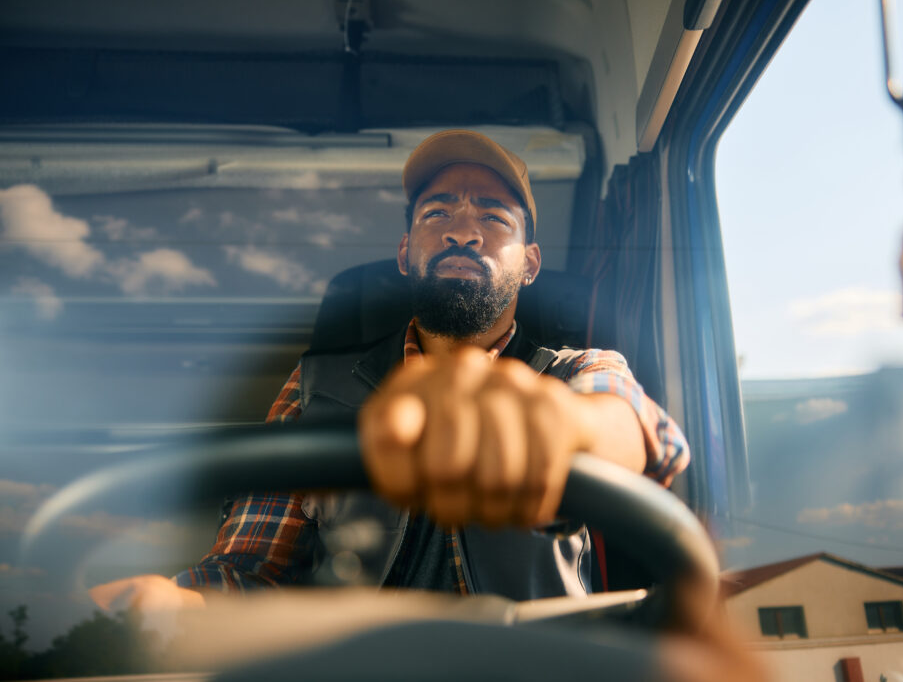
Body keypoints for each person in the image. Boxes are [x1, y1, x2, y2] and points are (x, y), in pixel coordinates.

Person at [90, 129, 689, 611]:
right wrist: (176, 605)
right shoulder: (314, 390)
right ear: (406, 254)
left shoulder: (577, 371)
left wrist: (560, 428)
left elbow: (640, 431)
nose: (461, 230)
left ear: (530, 264)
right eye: (435, 214)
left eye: (495, 217)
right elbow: (253, 568)